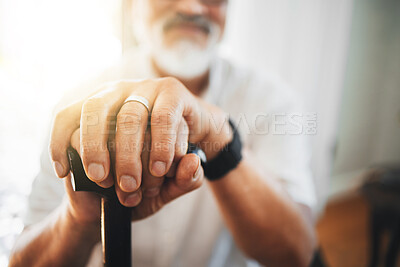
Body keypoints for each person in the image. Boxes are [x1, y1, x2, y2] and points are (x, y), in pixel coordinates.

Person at [9, 0, 317, 266]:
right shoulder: (78, 104)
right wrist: (80, 221)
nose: (191, 7)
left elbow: (297, 254)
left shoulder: (273, 101)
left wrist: (219, 138)